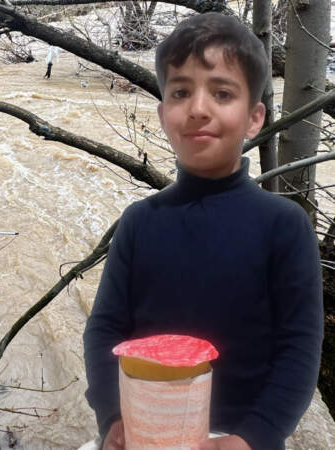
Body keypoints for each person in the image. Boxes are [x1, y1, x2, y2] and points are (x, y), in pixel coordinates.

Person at [82, 13, 322, 450]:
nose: (197, 108)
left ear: (254, 118)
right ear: (163, 113)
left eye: (222, 92)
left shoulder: (284, 225)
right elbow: (105, 331)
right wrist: (113, 416)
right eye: (180, 92)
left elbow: (300, 349)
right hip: (144, 434)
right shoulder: (140, 221)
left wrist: (253, 437)